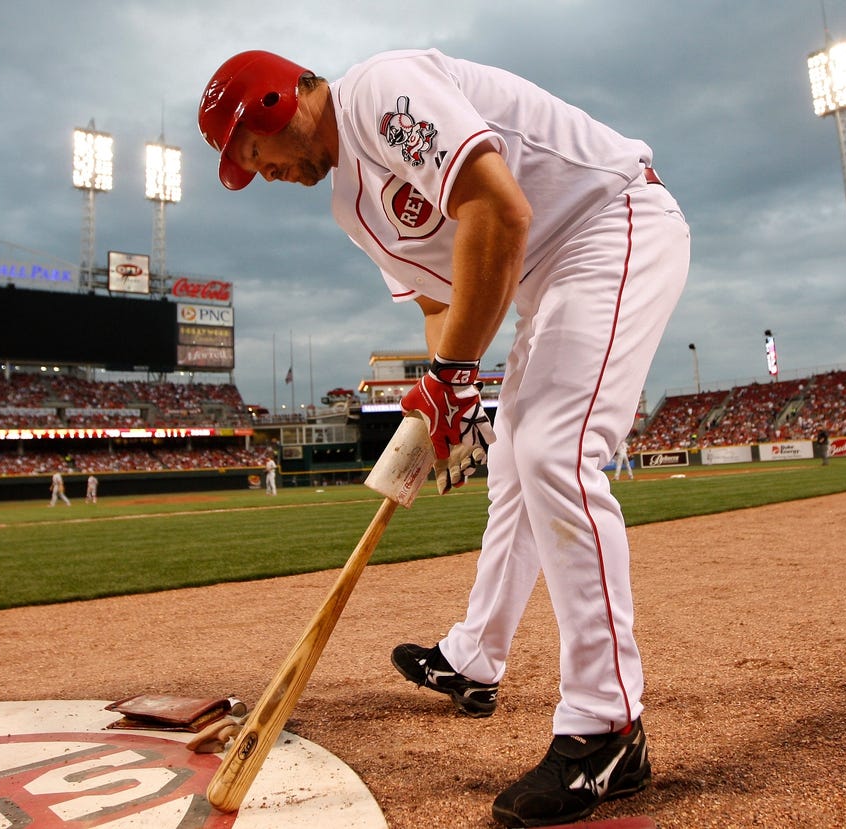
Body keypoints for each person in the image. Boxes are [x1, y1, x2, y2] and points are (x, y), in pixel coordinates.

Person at [199, 48, 690, 827]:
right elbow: (438, 298)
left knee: (552, 451)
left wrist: (456, 371)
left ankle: (608, 726)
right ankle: (474, 659)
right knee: (515, 473)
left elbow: (500, 210)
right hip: (549, 277)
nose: (260, 174)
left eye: (252, 154)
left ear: (273, 102)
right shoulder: (348, 205)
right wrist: (441, 390)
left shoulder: (378, 92)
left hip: (610, 218)